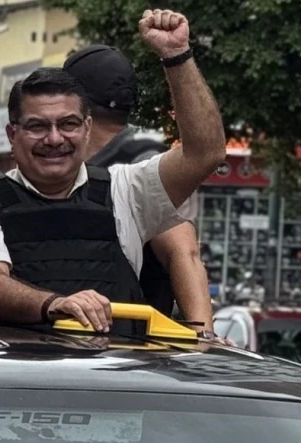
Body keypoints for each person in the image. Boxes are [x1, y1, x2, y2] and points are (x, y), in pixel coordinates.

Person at [0, 10, 226, 335]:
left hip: (112, 378)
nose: (54, 139)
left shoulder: (126, 190)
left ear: (87, 128)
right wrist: (54, 306)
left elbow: (206, 153)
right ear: (12, 135)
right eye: (37, 126)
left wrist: (177, 56)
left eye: (68, 124)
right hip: (17, 379)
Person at [63, 44, 212, 329]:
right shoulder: (74, 166)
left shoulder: (143, 165)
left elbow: (182, 251)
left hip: (131, 346)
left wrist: (202, 334)